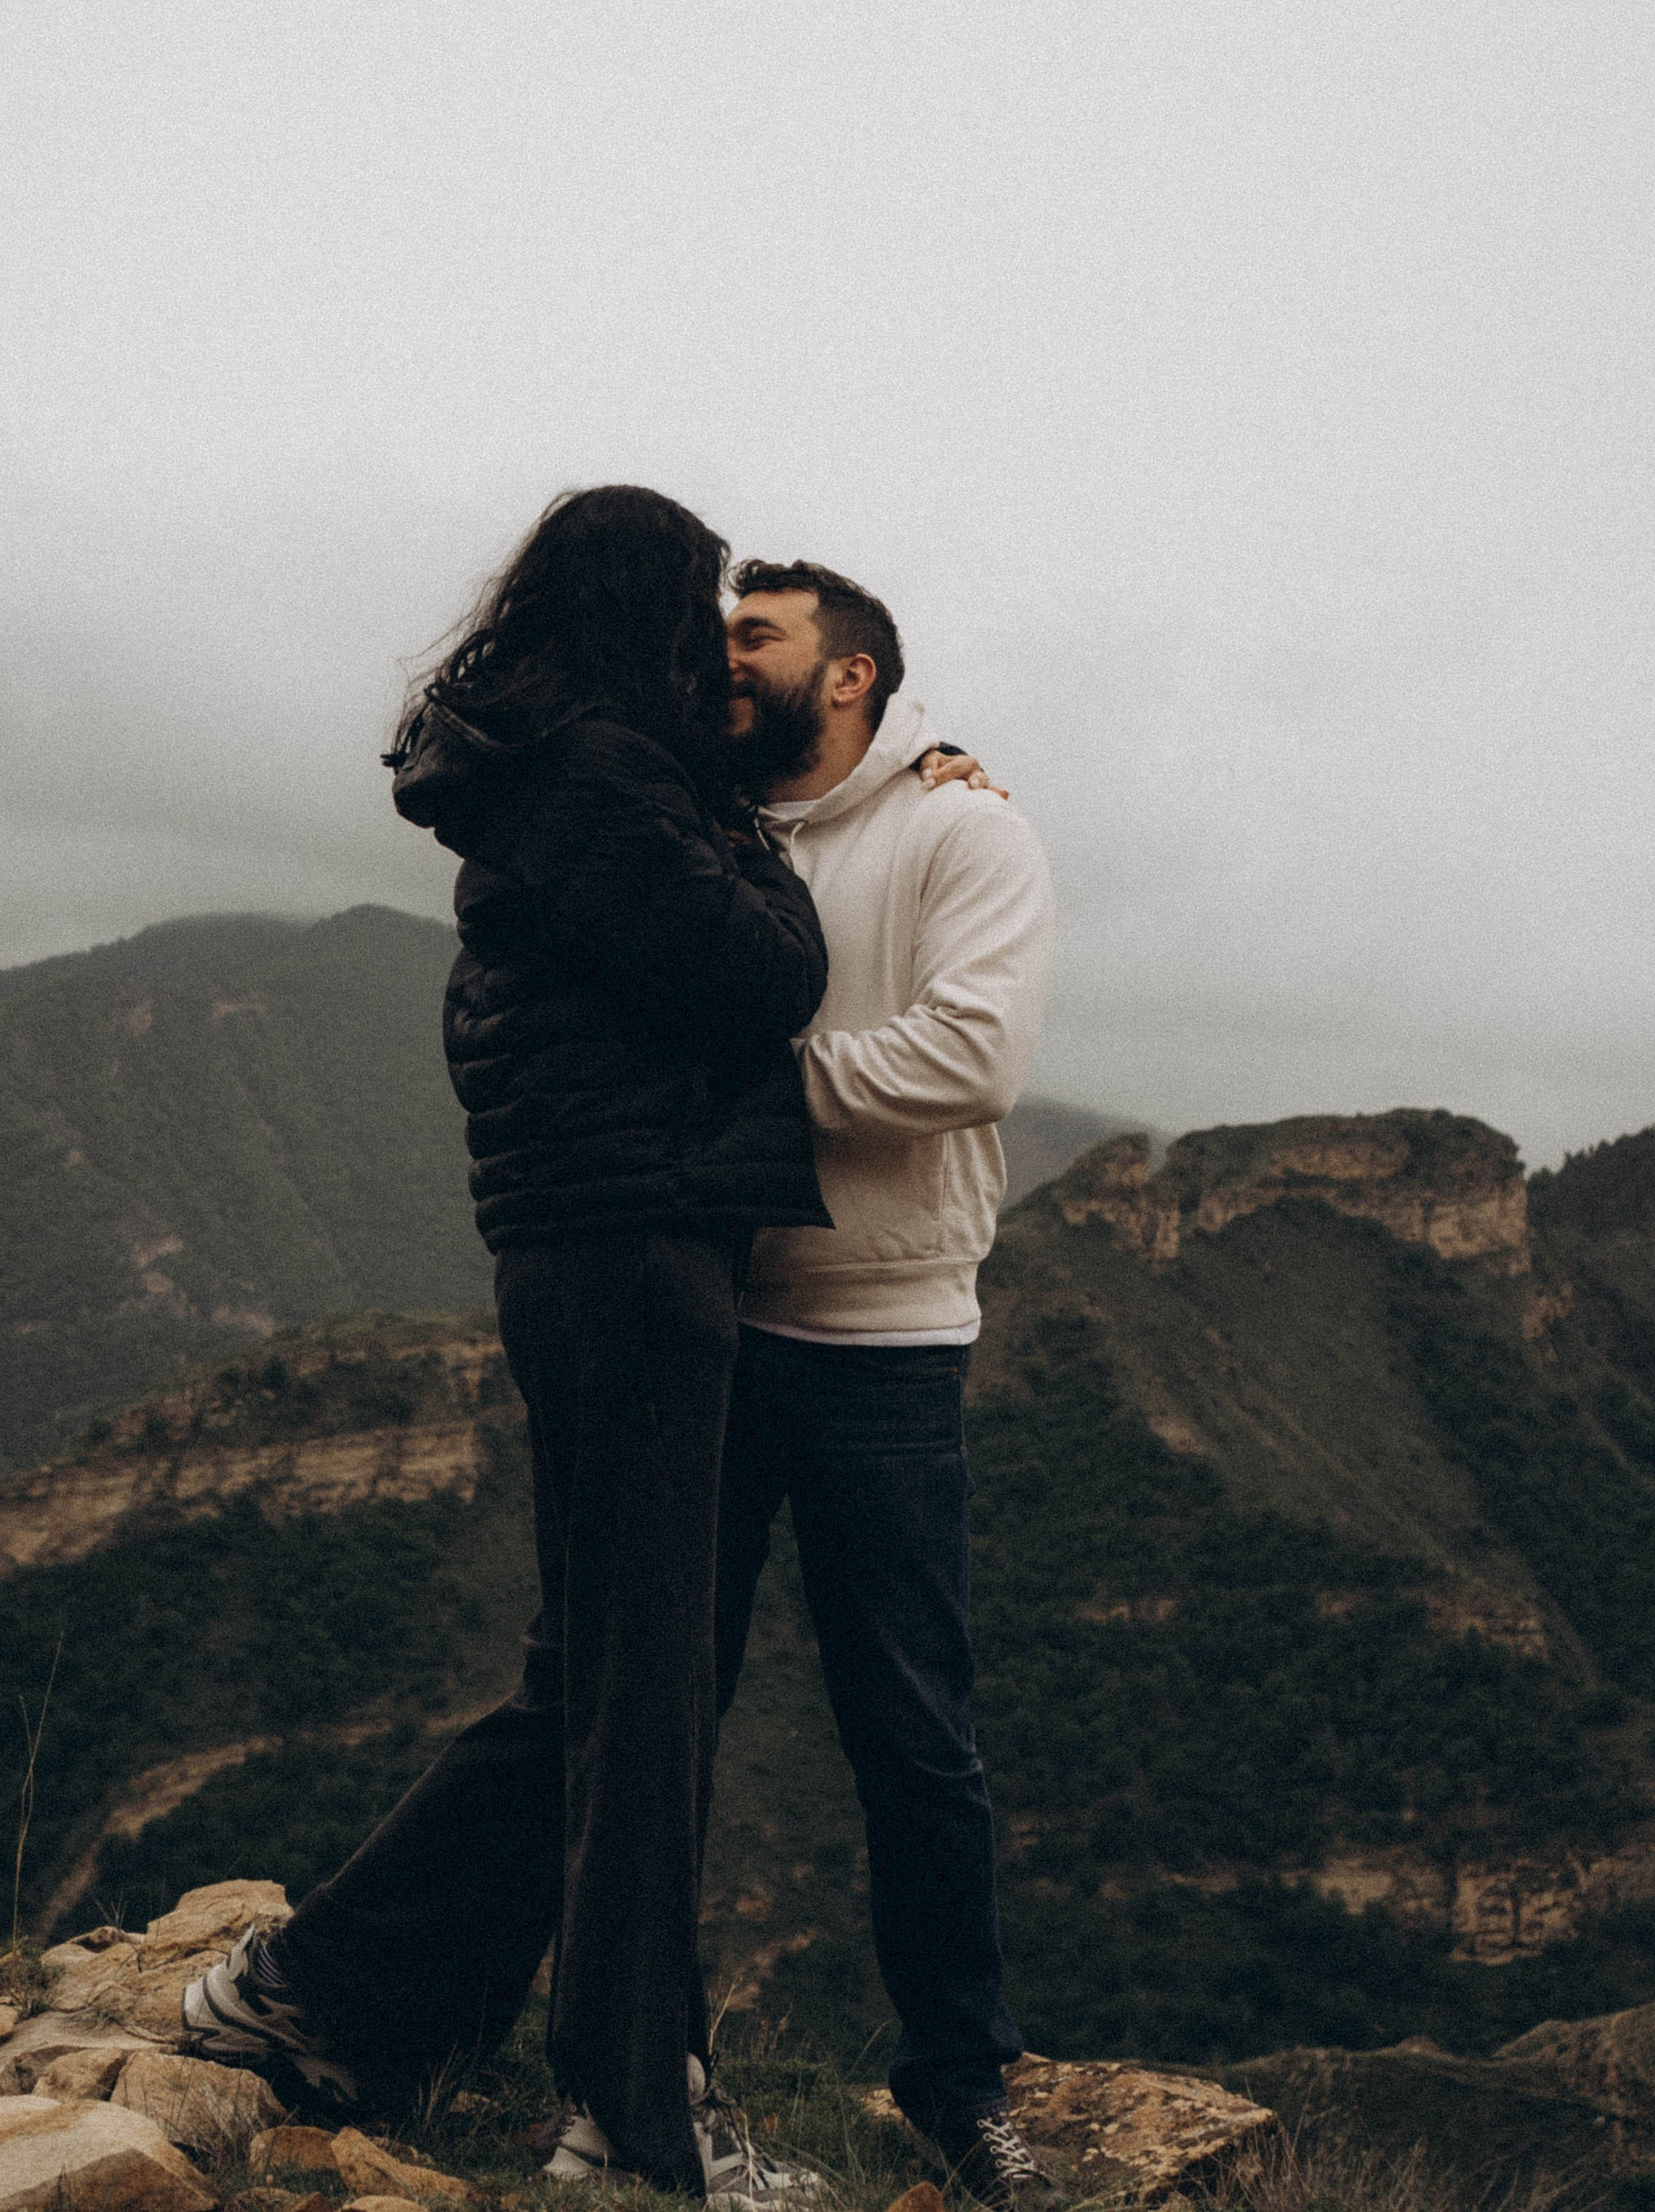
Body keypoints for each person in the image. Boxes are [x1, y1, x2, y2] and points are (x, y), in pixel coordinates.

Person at [185, 486, 833, 2201]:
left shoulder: (549, 766)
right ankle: (629, 2119)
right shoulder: (606, 777)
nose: (715, 646)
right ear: (639, 607)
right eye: (699, 608)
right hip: (634, 1254)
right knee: (645, 1694)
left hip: (588, 1250)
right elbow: (771, 976)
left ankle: (315, 1992)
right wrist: (755, 838)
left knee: (590, 1682)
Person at [714, 560, 1061, 2211]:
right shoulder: (700, 815)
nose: (719, 658)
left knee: (912, 1736)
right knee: (653, 1718)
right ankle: (645, 2054)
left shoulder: (961, 830)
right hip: (704, 1323)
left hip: (884, 1339)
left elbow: (971, 1055)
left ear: (845, 678)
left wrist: (734, 1092)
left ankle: (956, 2078)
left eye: (751, 637)